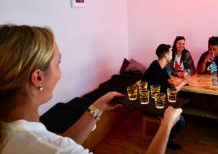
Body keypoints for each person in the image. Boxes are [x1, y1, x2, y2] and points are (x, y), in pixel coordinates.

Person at [0, 25, 182, 154]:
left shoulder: (11, 132)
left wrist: (97, 107)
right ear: (38, 77)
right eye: (58, 63)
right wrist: (166, 125)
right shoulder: (54, 149)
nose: (60, 71)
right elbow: (59, 147)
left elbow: (63, 139)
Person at [143, 44, 188, 150]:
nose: (172, 54)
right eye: (170, 52)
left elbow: (167, 79)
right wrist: (184, 82)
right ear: (166, 55)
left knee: (184, 99)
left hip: (158, 99)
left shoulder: (157, 64)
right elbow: (172, 91)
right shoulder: (158, 70)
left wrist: (177, 78)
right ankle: (167, 140)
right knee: (181, 121)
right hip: (153, 104)